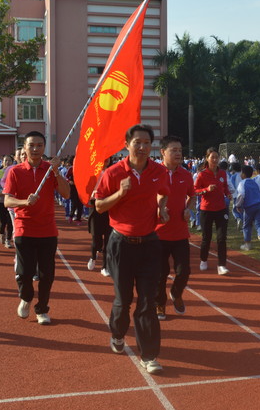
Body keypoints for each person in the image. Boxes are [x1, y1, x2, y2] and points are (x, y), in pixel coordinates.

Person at [95, 124, 170, 374]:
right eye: (137, 142)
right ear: (127, 145)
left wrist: (162, 207)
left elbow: (162, 193)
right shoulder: (113, 172)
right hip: (121, 244)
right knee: (123, 300)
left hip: (149, 243)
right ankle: (117, 333)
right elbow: (99, 207)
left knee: (148, 301)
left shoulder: (159, 171)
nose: (143, 147)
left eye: (147, 142)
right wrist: (120, 193)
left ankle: (149, 356)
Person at [4, 131, 70, 325]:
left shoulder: (51, 170)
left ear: (44, 147)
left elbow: (66, 194)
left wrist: (57, 172)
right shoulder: (15, 171)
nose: (35, 149)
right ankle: (25, 297)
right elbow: (7, 200)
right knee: (25, 272)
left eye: (39, 145)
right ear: (24, 147)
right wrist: (24, 202)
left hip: (48, 230)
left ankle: (42, 308)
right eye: (31, 145)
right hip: (24, 228)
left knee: (47, 274)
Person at [155, 135, 195, 320]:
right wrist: (158, 208)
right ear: (163, 152)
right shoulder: (154, 173)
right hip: (158, 233)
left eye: (180, 150)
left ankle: (176, 293)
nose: (178, 153)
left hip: (180, 232)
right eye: (174, 150)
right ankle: (160, 304)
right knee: (160, 274)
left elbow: (192, 196)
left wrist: (188, 209)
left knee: (184, 271)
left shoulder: (186, 175)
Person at [194, 148, 231, 275]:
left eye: (217, 157)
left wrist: (228, 194)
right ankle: (203, 259)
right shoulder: (202, 174)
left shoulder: (222, 173)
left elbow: (225, 186)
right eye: (212, 157)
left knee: (222, 238)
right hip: (206, 209)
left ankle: (221, 265)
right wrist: (206, 189)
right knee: (206, 237)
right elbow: (195, 190)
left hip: (221, 209)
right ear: (207, 158)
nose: (215, 159)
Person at [87, 158, 112, 276]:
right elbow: (86, 190)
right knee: (96, 238)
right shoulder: (93, 174)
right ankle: (93, 256)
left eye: (108, 158)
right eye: (104, 158)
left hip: (109, 208)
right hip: (95, 207)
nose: (106, 160)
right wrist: (93, 194)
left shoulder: (112, 172)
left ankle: (105, 266)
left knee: (108, 239)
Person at [236, 165, 260, 253]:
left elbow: (241, 195)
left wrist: (238, 205)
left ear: (243, 174)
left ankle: (247, 244)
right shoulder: (254, 182)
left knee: (246, 225)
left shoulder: (242, 183)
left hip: (250, 206)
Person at [0, 154, 14, 248]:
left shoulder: (15, 172)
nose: (7, 162)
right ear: (2, 162)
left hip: (11, 201)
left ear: (12, 162)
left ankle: (8, 240)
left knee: (10, 221)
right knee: (2, 221)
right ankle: (2, 233)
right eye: (5, 160)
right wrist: (3, 192)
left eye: (9, 161)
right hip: (0, 200)